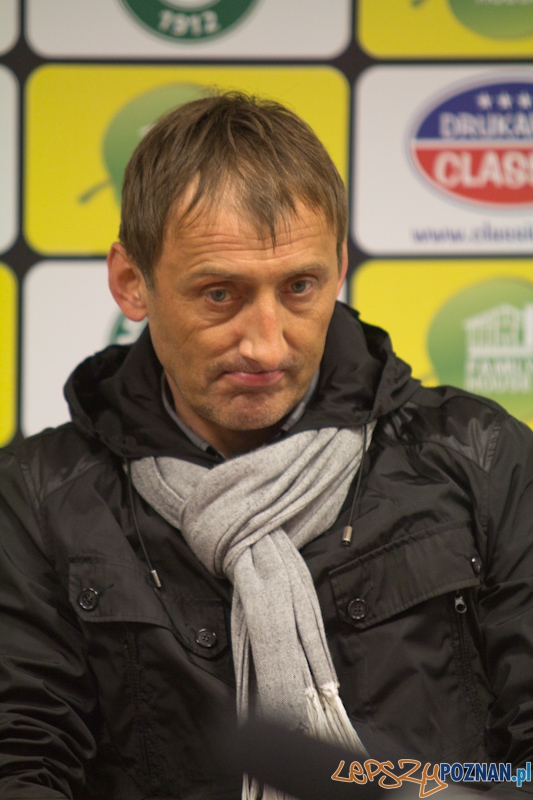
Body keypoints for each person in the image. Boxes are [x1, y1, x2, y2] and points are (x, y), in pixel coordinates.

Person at [0, 92, 532, 800]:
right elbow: (21, 764)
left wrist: (436, 790)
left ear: (338, 267)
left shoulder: (480, 453)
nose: (264, 342)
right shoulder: (38, 497)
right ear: (132, 281)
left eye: (299, 287)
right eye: (219, 294)